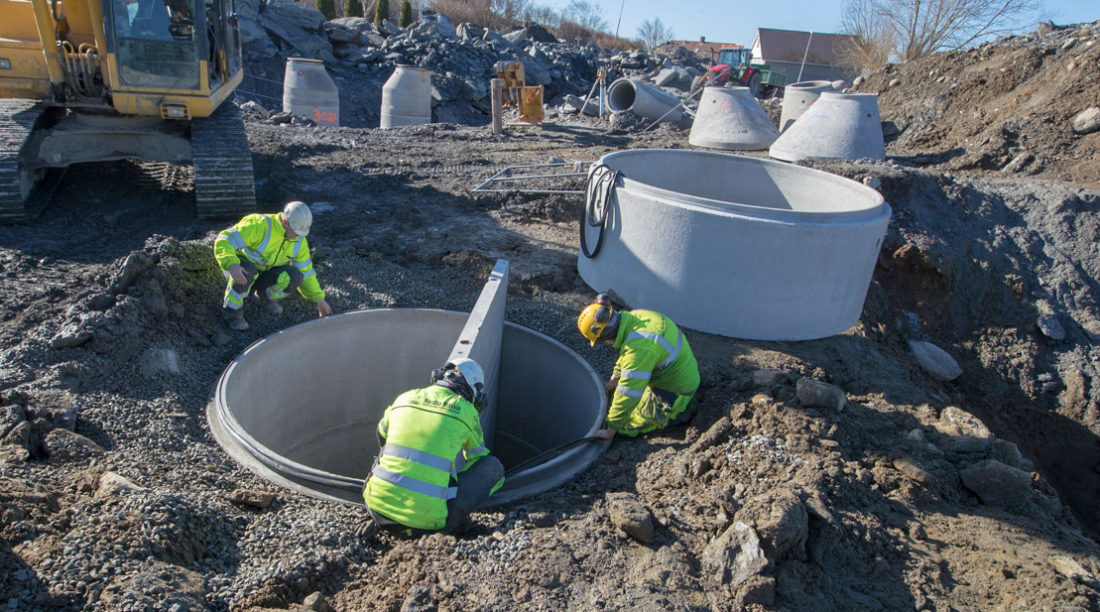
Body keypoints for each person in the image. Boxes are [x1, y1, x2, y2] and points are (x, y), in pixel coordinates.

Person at [363, 358, 505, 536]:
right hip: (429, 524)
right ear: (473, 390)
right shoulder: (467, 411)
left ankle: (381, 492)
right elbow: (477, 458)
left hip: (376, 509)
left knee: (390, 446)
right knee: (493, 466)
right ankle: (454, 519)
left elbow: (382, 435)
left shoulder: (405, 397)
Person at [577, 294, 700, 439]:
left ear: (605, 337)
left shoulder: (639, 350)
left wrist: (611, 429)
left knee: (625, 427)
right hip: (674, 372)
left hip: (677, 391)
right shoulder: (636, 317)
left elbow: (628, 392)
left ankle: (681, 412)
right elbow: (629, 351)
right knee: (624, 402)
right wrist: (616, 376)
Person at [213, 201, 333, 331]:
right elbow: (225, 239)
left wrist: (319, 299)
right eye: (295, 231)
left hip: (264, 273)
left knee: (294, 276)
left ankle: (263, 297)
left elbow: (307, 271)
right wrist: (231, 264)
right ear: (285, 222)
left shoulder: (299, 241)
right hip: (239, 270)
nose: (298, 236)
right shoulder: (260, 225)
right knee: (248, 270)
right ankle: (232, 313)